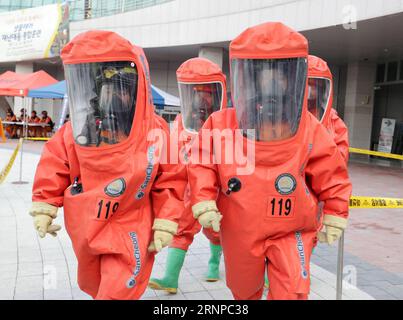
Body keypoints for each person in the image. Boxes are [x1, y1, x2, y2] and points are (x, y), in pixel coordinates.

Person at [187, 22, 352, 300]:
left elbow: (331, 171)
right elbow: (201, 161)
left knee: (293, 290)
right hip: (241, 228)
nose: (273, 82)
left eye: (280, 74)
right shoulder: (221, 123)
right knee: (243, 290)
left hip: (292, 228)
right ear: (250, 77)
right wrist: (203, 200)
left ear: (294, 77)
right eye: (265, 73)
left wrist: (336, 211)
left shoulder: (309, 127)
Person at [29, 30, 187, 300]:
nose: (114, 96)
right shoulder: (78, 131)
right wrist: (45, 205)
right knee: (94, 284)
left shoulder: (155, 131)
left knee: (116, 291)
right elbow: (56, 163)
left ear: (136, 91)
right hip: (88, 226)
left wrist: (165, 220)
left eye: (122, 90)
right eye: (108, 88)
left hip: (130, 228)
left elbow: (171, 179)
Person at [148, 57, 227, 294]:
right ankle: (170, 278)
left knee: (215, 228)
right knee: (182, 228)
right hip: (190, 184)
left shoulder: (225, 120)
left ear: (217, 92)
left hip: (216, 185)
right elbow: (175, 148)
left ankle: (213, 264)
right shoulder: (183, 121)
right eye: (196, 92)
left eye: (207, 92)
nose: (202, 99)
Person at [307, 55, 349, 163]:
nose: (310, 90)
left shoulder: (332, 120)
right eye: (307, 84)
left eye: (314, 85)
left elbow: (340, 158)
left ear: (323, 89)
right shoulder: (285, 115)